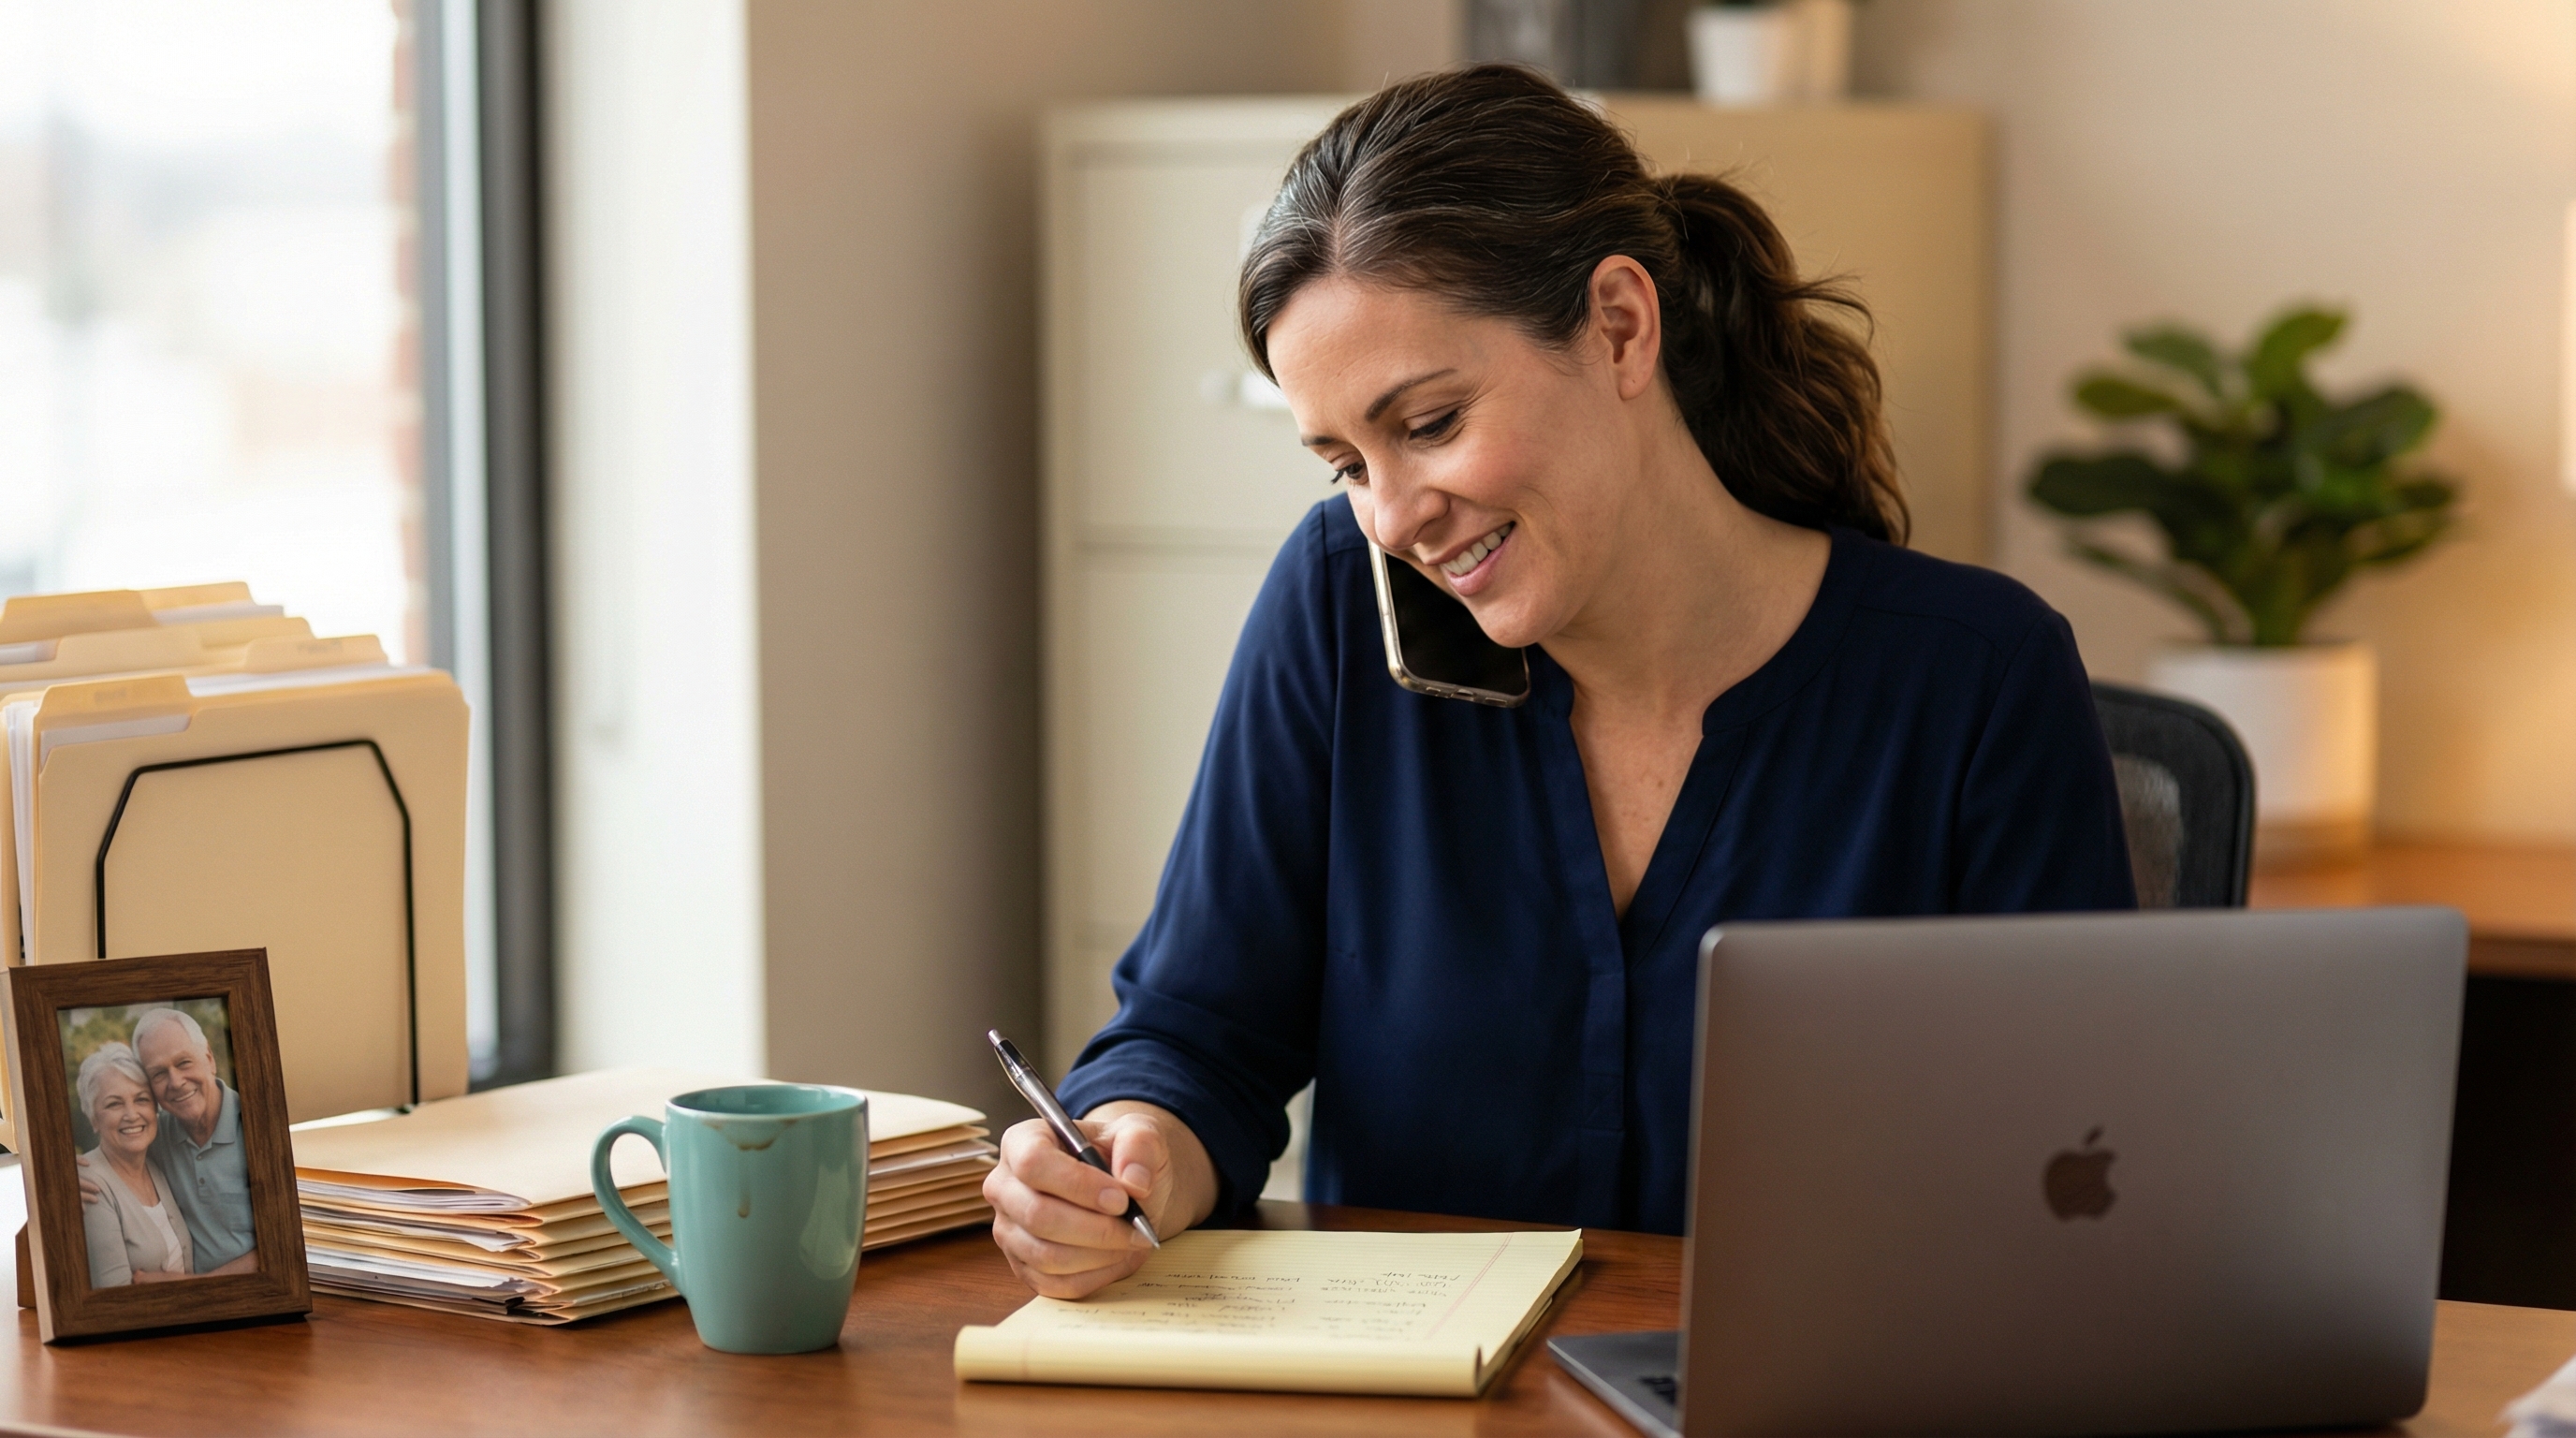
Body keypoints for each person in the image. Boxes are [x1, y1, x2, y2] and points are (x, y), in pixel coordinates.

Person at [984, 64, 2136, 1299]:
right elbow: (1199, 1028)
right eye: (1345, 465)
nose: (1392, 519)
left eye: (1428, 423)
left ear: (1621, 327)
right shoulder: (1340, 603)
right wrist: (1140, 1143)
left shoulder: (1974, 680)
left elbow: (2082, 1172)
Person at [79, 1007, 256, 1276]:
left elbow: (287, 1242)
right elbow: (111, 1151)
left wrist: (191, 1287)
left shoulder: (258, 1127)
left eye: (184, 1062)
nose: (176, 1082)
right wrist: (57, 1179)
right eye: (159, 1074)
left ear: (209, 1058)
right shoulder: (152, 1135)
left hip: (260, 1299)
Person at [74, 1043, 192, 1288]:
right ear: (94, 1118)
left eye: (141, 1099)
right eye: (114, 1104)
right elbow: (115, 1296)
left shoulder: (155, 1166)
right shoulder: (89, 1183)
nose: (131, 1114)